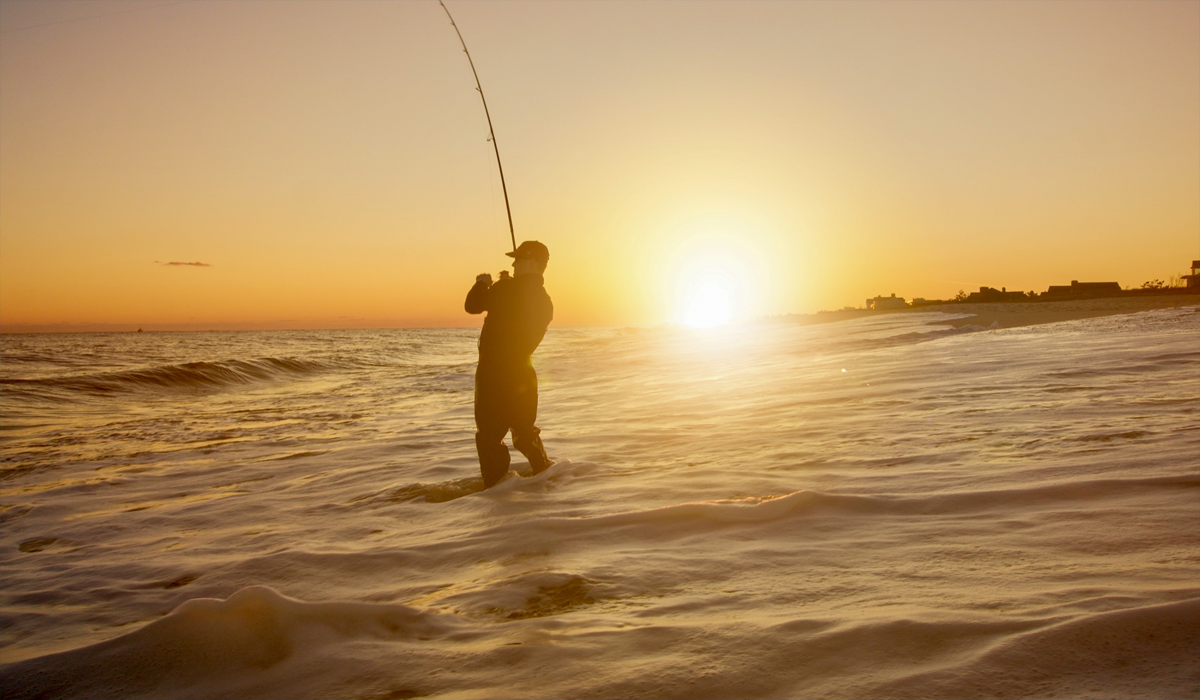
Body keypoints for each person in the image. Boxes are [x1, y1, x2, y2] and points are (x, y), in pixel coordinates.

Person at [464, 240, 554, 487]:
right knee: (525, 434)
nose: (514, 264)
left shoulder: (505, 289)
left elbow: (471, 306)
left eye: (520, 260)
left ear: (535, 263)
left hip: (493, 376)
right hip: (522, 374)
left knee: (489, 438)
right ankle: (549, 479)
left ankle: (496, 492)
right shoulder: (545, 302)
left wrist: (483, 284)